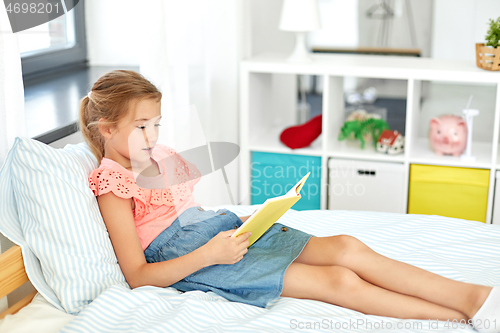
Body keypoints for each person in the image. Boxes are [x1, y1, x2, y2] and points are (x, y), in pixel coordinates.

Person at [80, 70, 499, 333]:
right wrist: (210, 254)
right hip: (197, 258)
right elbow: (137, 274)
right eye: (141, 127)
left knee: (347, 246)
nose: (153, 137)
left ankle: (474, 296)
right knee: (339, 281)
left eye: (156, 124)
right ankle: (460, 317)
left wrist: (251, 219)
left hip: (217, 232)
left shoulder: (157, 156)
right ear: (108, 129)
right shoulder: (113, 184)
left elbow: (188, 214)